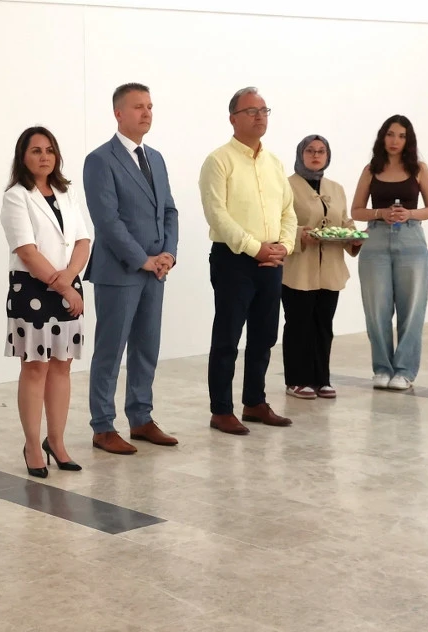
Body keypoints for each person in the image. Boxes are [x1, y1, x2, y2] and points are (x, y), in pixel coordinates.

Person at [83, 83, 179, 456]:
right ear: (118, 113)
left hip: (156, 271)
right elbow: (107, 220)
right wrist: (143, 259)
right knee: (111, 350)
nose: (147, 113)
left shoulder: (156, 158)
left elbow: (169, 210)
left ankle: (141, 418)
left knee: (146, 346)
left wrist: (168, 253)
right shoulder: (100, 160)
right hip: (120, 271)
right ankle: (103, 426)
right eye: (138, 107)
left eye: (150, 106)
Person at [197, 86, 297, 435]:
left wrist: (284, 246)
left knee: (264, 335)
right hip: (234, 260)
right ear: (233, 118)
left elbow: (288, 211)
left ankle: (254, 402)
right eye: (251, 111)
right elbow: (217, 214)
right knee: (227, 337)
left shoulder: (275, 163)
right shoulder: (218, 161)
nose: (259, 117)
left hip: (271, 260)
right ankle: (221, 410)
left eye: (264, 110)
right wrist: (255, 248)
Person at [0, 126, 92, 477]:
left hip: (68, 284)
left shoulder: (67, 193)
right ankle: (32, 446)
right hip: (32, 290)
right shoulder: (16, 196)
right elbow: (27, 251)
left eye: (49, 150)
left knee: (62, 366)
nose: (44, 157)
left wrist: (69, 279)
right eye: (36, 150)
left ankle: (57, 441)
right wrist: (64, 286)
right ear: (23, 157)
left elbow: (83, 241)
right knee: (35, 366)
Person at [350, 115, 428, 391]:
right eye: (390, 134)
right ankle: (382, 368)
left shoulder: (419, 169)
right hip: (376, 240)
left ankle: (404, 370)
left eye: (401, 136)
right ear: (382, 137)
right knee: (376, 308)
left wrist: (409, 213)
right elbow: (356, 210)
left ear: (408, 140)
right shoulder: (370, 170)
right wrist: (380, 213)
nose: (395, 141)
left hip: (411, 240)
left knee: (412, 308)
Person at [282, 134, 361, 400]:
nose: (315, 155)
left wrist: (354, 237)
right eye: (310, 150)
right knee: (299, 324)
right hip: (298, 269)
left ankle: (321, 379)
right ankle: (296, 380)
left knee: (323, 324)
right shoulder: (286, 186)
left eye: (321, 151)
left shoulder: (335, 188)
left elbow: (344, 221)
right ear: (300, 154)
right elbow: (278, 223)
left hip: (330, 268)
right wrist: (300, 235)